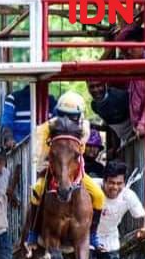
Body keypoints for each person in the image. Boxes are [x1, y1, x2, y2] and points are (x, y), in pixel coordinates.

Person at [24, 91, 105, 250]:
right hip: (54, 170)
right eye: (63, 115)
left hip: (76, 172)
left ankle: (93, 234)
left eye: (72, 116)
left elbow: (79, 149)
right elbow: (38, 149)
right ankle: (33, 231)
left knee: (99, 196)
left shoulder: (84, 127)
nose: (67, 120)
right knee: (37, 190)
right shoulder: (49, 127)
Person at [87, 80, 133, 150]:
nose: (95, 90)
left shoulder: (120, 97)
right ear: (88, 89)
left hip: (136, 134)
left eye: (98, 85)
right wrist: (114, 147)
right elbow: (111, 127)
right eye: (92, 87)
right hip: (123, 139)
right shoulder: (94, 106)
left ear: (105, 84)